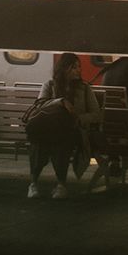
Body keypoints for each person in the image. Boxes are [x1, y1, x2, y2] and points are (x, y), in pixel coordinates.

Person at [26, 52, 108, 200]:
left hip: (74, 130)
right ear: (64, 69)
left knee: (61, 141)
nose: (78, 70)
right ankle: (34, 183)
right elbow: (40, 105)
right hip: (50, 129)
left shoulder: (84, 88)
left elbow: (96, 114)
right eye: (74, 67)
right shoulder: (49, 85)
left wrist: (79, 119)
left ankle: (59, 184)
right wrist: (61, 101)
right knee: (40, 142)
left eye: (79, 67)